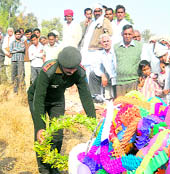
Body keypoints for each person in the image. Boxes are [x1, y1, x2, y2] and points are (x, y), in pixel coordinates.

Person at [27, 46, 96, 174]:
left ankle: (54, 166)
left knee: (57, 134)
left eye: (74, 68)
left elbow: (86, 96)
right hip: (37, 99)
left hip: (57, 101)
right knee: (41, 134)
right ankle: (43, 168)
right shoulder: (48, 70)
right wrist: (40, 126)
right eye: (68, 69)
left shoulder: (79, 72)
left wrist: (93, 122)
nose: (72, 71)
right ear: (61, 64)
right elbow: (39, 98)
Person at [80, 3, 113, 80]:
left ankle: (99, 92)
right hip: (88, 52)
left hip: (98, 51)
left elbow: (109, 33)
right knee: (88, 73)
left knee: (98, 74)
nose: (97, 13)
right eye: (95, 11)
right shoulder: (92, 22)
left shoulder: (105, 21)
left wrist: (99, 41)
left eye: (99, 11)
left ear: (102, 12)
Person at [114, 24, 143, 97]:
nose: (127, 36)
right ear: (122, 34)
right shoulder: (115, 47)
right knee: (120, 106)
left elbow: (143, 63)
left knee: (133, 106)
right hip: (119, 82)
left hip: (133, 81)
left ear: (133, 34)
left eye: (129, 34)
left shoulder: (140, 46)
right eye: (125, 34)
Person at [89, 34, 117, 102]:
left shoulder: (115, 52)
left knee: (117, 99)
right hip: (108, 76)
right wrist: (102, 75)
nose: (106, 43)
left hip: (117, 76)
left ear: (110, 42)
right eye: (104, 42)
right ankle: (96, 98)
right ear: (101, 44)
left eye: (108, 41)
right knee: (92, 74)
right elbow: (96, 67)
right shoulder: (100, 54)